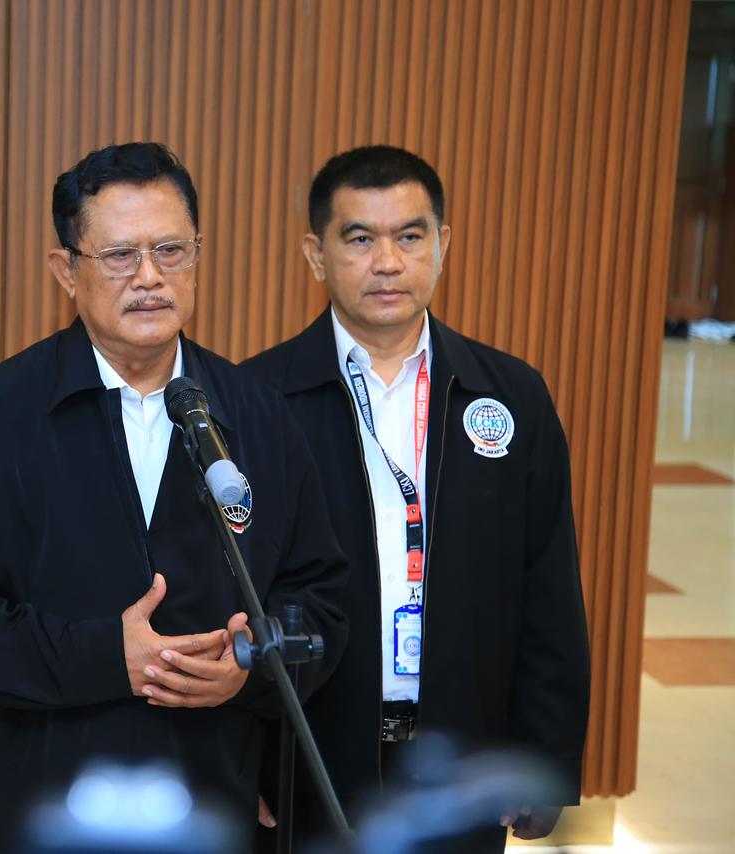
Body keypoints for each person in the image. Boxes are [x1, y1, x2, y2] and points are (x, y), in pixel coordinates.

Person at [0, 142, 348, 852]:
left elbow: (319, 597)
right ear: (65, 271)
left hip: (214, 798)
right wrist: (105, 655)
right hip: (46, 803)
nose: (149, 277)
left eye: (171, 250)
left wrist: (251, 664)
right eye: (118, 256)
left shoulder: (258, 415)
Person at [243, 145, 590, 851]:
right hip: (306, 759)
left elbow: (548, 585)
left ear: (443, 244)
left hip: (463, 761)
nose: (388, 262)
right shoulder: (256, 399)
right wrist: (237, 758)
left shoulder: (511, 395)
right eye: (359, 239)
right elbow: (227, 594)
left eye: (410, 236)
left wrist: (544, 756)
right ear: (315, 254)